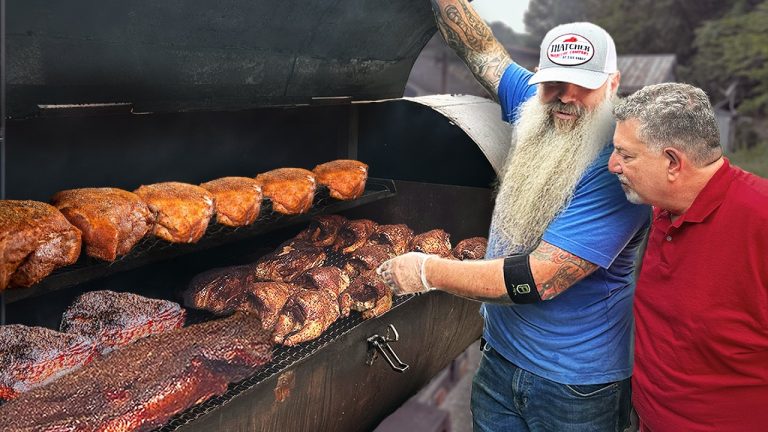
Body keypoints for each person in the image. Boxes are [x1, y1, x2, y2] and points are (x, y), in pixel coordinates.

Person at [377, 2, 649, 431]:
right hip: (500, 361)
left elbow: (538, 278)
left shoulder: (617, 167)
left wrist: (428, 271)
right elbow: (479, 49)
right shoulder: (538, 101)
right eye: (554, 82)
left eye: (583, 86)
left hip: (574, 387)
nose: (566, 97)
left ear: (612, 84)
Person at [608, 82, 768, 431]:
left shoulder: (760, 219)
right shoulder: (664, 208)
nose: (613, 165)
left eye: (626, 155)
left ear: (672, 162)